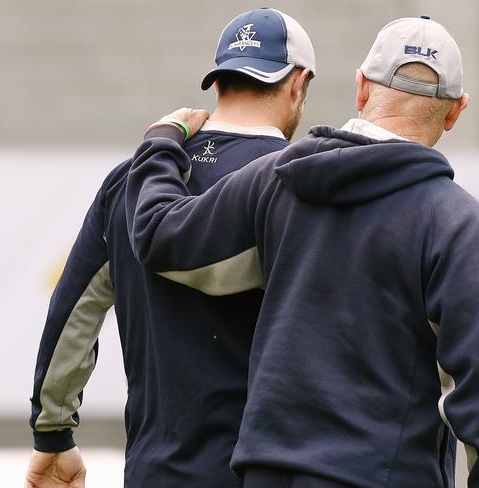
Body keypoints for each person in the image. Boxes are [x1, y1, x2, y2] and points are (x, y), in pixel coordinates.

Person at [125, 16, 479, 488]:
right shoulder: (456, 221)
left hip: (266, 472)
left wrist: (161, 143)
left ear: (361, 88)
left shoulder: (277, 179)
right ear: (456, 111)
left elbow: (161, 238)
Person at [24, 8, 315, 488]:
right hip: (260, 472)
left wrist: (52, 434)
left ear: (218, 84)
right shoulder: (297, 185)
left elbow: (72, 315)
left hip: (151, 472)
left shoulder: (130, 179)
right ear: (298, 83)